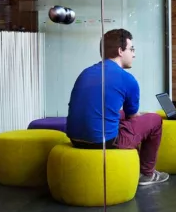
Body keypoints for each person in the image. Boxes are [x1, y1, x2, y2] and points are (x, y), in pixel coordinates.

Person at [66, 29, 169, 186]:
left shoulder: (86, 72)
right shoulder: (128, 79)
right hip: (104, 142)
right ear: (120, 51)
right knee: (154, 120)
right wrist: (144, 118)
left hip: (75, 139)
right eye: (131, 49)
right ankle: (146, 174)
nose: (133, 54)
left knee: (118, 113)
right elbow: (132, 117)